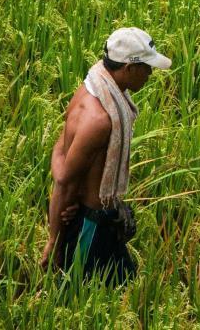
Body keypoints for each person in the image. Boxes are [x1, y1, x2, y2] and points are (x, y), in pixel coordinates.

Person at [39, 27, 172, 287]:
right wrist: (54, 241)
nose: (150, 74)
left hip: (100, 218)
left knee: (127, 289)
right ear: (129, 69)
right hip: (89, 226)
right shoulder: (99, 120)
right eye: (147, 67)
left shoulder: (96, 85)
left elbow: (61, 145)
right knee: (74, 295)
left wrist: (70, 177)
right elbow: (64, 180)